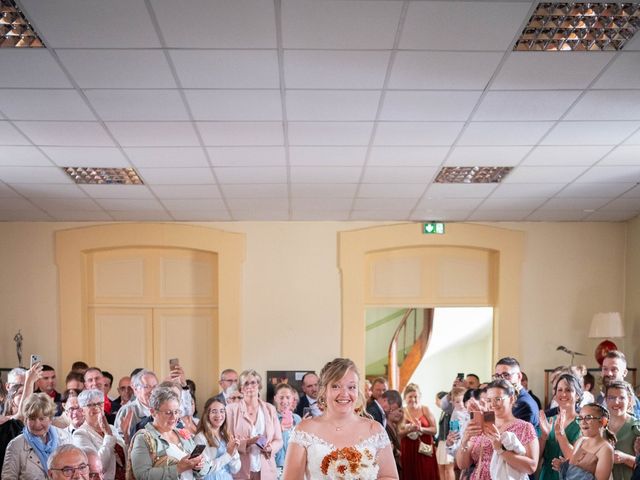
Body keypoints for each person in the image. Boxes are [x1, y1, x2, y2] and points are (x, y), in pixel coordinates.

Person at [283, 357, 398, 479]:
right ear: (324, 391)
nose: (344, 393)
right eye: (336, 386)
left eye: (351, 387)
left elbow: (389, 476)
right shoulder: (304, 430)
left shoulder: (375, 429)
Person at [455, 379, 539, 480]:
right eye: (489, 400)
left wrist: (501, 450)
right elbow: (462, 465)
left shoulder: (525, 427)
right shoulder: (482, 425)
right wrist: (465, 440)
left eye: (498, 399)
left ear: (512, 399)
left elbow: (531, 467)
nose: (492, 404)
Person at [129, 386, 210, 479]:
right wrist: (178, 468)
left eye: (176, 411)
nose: (174, 417)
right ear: (153, 412)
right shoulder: (144, 438)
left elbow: (206, 469)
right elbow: (142, 476)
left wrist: (199, 466)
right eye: (168, 412)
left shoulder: (182, 433)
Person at [225, 369, 282, 479]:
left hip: (266, 469)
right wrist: (249, 442)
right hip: (241, 469)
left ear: (259, 385)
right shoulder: (231, 410)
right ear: (241, 388)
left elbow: (279, 440)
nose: (250, 386)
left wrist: (270, 448)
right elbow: (228, 441)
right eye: (246, 383)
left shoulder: (270, 409)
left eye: (253, 382)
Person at [3, 393, 73, 479]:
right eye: (32, 419)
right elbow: (8, 478)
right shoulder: (15, 445)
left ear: (51, 419)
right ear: (25, 420)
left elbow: (74, 471)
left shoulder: (66, 438)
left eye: (41, 418)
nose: (37, 424)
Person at [551, 403, 615, 480]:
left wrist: (570, 469)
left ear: (603, 422)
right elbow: (571, 471)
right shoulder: (580, 441)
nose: (583, 422)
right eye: (580, 418)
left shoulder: (606, 449)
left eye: (588, 418)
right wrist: (564, 467)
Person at [72, 389, 126, 480]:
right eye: (90, 405)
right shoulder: (80, 434)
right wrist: (108, 435)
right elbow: (97, 467)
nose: (96, 407)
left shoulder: (112, 428)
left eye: (99, 403)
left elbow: (124, 457)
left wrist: (127, 437)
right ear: (82, 411)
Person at [539, 373, 583, 480]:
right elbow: (536, 459)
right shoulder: (549, 421)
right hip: (547, 475)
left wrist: (560, 434)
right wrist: (544, 437)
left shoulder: (583, 423)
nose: (563, 394)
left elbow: (575, 459)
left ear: (577, 395)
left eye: (568, 390)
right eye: (560, 390)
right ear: (555, 395)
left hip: (570, 476)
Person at [398, 383, 439, 480]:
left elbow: (434, 430)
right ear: (405, 398)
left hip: (424, 449)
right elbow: (398, 434)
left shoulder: (425, 409)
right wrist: (409, 429)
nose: (413, 399)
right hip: (408, 450)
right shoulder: (401, 412)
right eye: (410, 397)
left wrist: (421, 429)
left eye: (416, 396)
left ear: (420, 397)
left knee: (426, 473)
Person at [194, 397, 240, 479]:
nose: (218, 415)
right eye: (214, 411)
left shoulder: (227, 436)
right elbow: (203, 470)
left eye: (222, 411)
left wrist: (234, 452)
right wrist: (228, 455)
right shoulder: (200, 438)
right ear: (207, 414)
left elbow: (235, 469)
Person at [605, 381, 640, 480]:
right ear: (606, 400)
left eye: (621, 398)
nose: (616, 402)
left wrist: (626, 459)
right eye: (611, 398)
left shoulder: (637, 428)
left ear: (629, 400)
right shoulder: (599, 427)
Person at [494, 357, 540, 430]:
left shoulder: (523, 404)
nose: (500, 380)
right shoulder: (505, 399)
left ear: (519, 376)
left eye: (506, 375)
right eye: (497, 376)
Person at [114, 369, 158, 443]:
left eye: (155, 386)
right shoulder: (127, 410)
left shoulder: (163, 409)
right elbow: (119, 443)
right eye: (147, 387)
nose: (152, 391)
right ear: (135, 389)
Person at [597, 351, 640, 419]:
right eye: (605, 369)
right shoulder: (600, 398)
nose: (609, 373)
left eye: (614, 369)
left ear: (624, 373)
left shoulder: (632, 401)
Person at [273, 383, 302, 476]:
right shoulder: (269, 417)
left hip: (294, 465)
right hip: (275, 466)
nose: (285, 401)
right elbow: (261, 441)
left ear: (292, 399)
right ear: (275, 398)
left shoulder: (297, 418)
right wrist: (278, 430)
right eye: (281, 397)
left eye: (288, 397)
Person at [381, 390, 404, 479]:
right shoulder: (384, 427)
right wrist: (396, 452)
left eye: (401, 411)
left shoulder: (395, 427)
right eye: (397, 410)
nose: (400, 414)